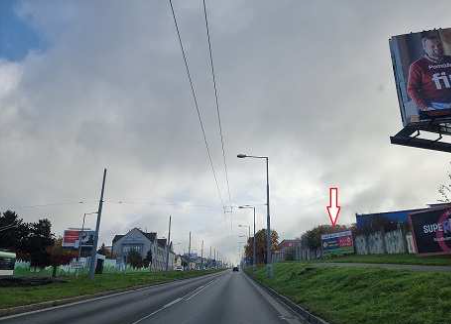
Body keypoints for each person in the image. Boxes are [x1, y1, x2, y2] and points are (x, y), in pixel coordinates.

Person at [407, 34, 451, 120]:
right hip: (437, 107)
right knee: (413, 118)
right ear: (425, 48)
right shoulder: (417, 66)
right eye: (432, 46)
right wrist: (425, 108)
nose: (437, 48)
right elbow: (411, 89)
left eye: (439, 45)